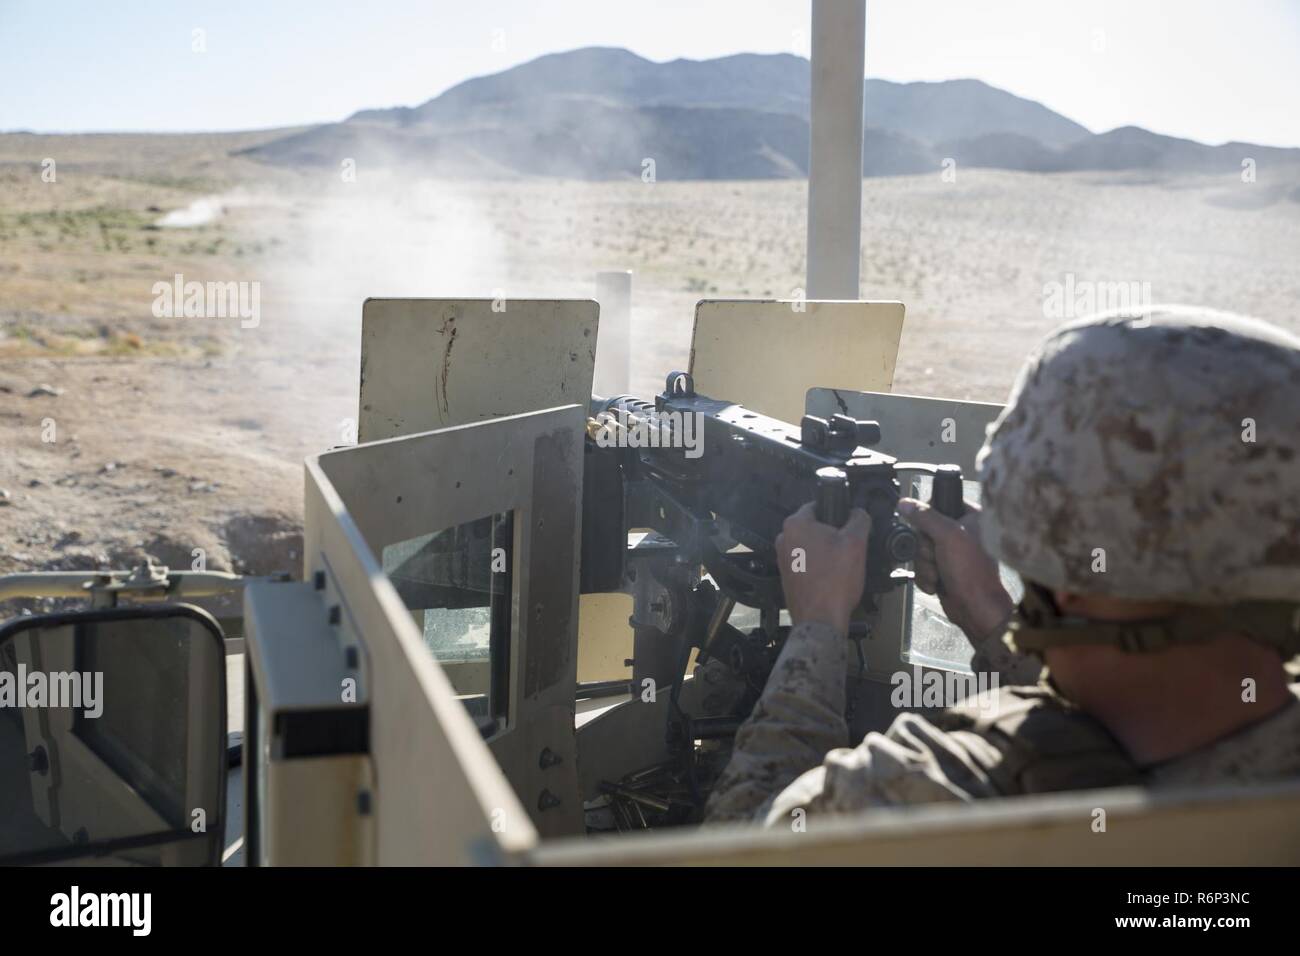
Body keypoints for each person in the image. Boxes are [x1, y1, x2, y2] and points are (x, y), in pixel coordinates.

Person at [705, 307, 1300, 826]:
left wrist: (819, 626)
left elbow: (741, 847)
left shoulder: (932, 794)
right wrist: (991, 617)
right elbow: (1132, 698)